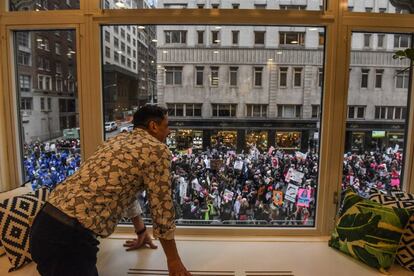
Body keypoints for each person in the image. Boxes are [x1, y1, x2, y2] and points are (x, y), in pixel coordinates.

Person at [29, 105, 191, 276]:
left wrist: (141, 230)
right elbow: (162, 207)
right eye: (166, 126)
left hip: (43, 226)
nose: (169, 131)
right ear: (153, 126)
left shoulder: (116, 140)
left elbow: (125, 190)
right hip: (69, 238)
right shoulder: (157, 149)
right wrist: (173, 260)